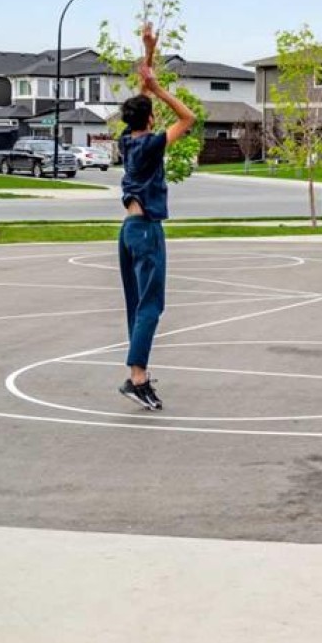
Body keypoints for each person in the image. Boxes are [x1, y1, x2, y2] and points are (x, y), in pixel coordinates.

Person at [117, 22, 197, 410]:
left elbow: (140, 96)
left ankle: (139, 376)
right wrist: (161, 89)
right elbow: (188, 118)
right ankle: (137, 378)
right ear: (149, 120)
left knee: (139, 304)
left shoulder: (126, 140)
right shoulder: (150, 144)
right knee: (151, 306)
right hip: (147, 230)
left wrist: (148, 53)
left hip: (128, 230)